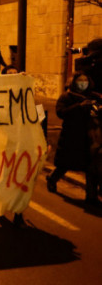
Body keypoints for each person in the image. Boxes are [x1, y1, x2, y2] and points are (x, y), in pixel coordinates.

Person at [47, 72, 102, 206]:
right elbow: (61, 113)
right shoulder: (66, 97)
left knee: (91, 167)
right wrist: (79, 107)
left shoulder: (94, 96)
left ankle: (91, 196)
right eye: (80, 81)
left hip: (90, 137)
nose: (83, 83)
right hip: (72, 137)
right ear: (74, 82)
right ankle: (52, 179)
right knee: (65, 164)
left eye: (85, 80)